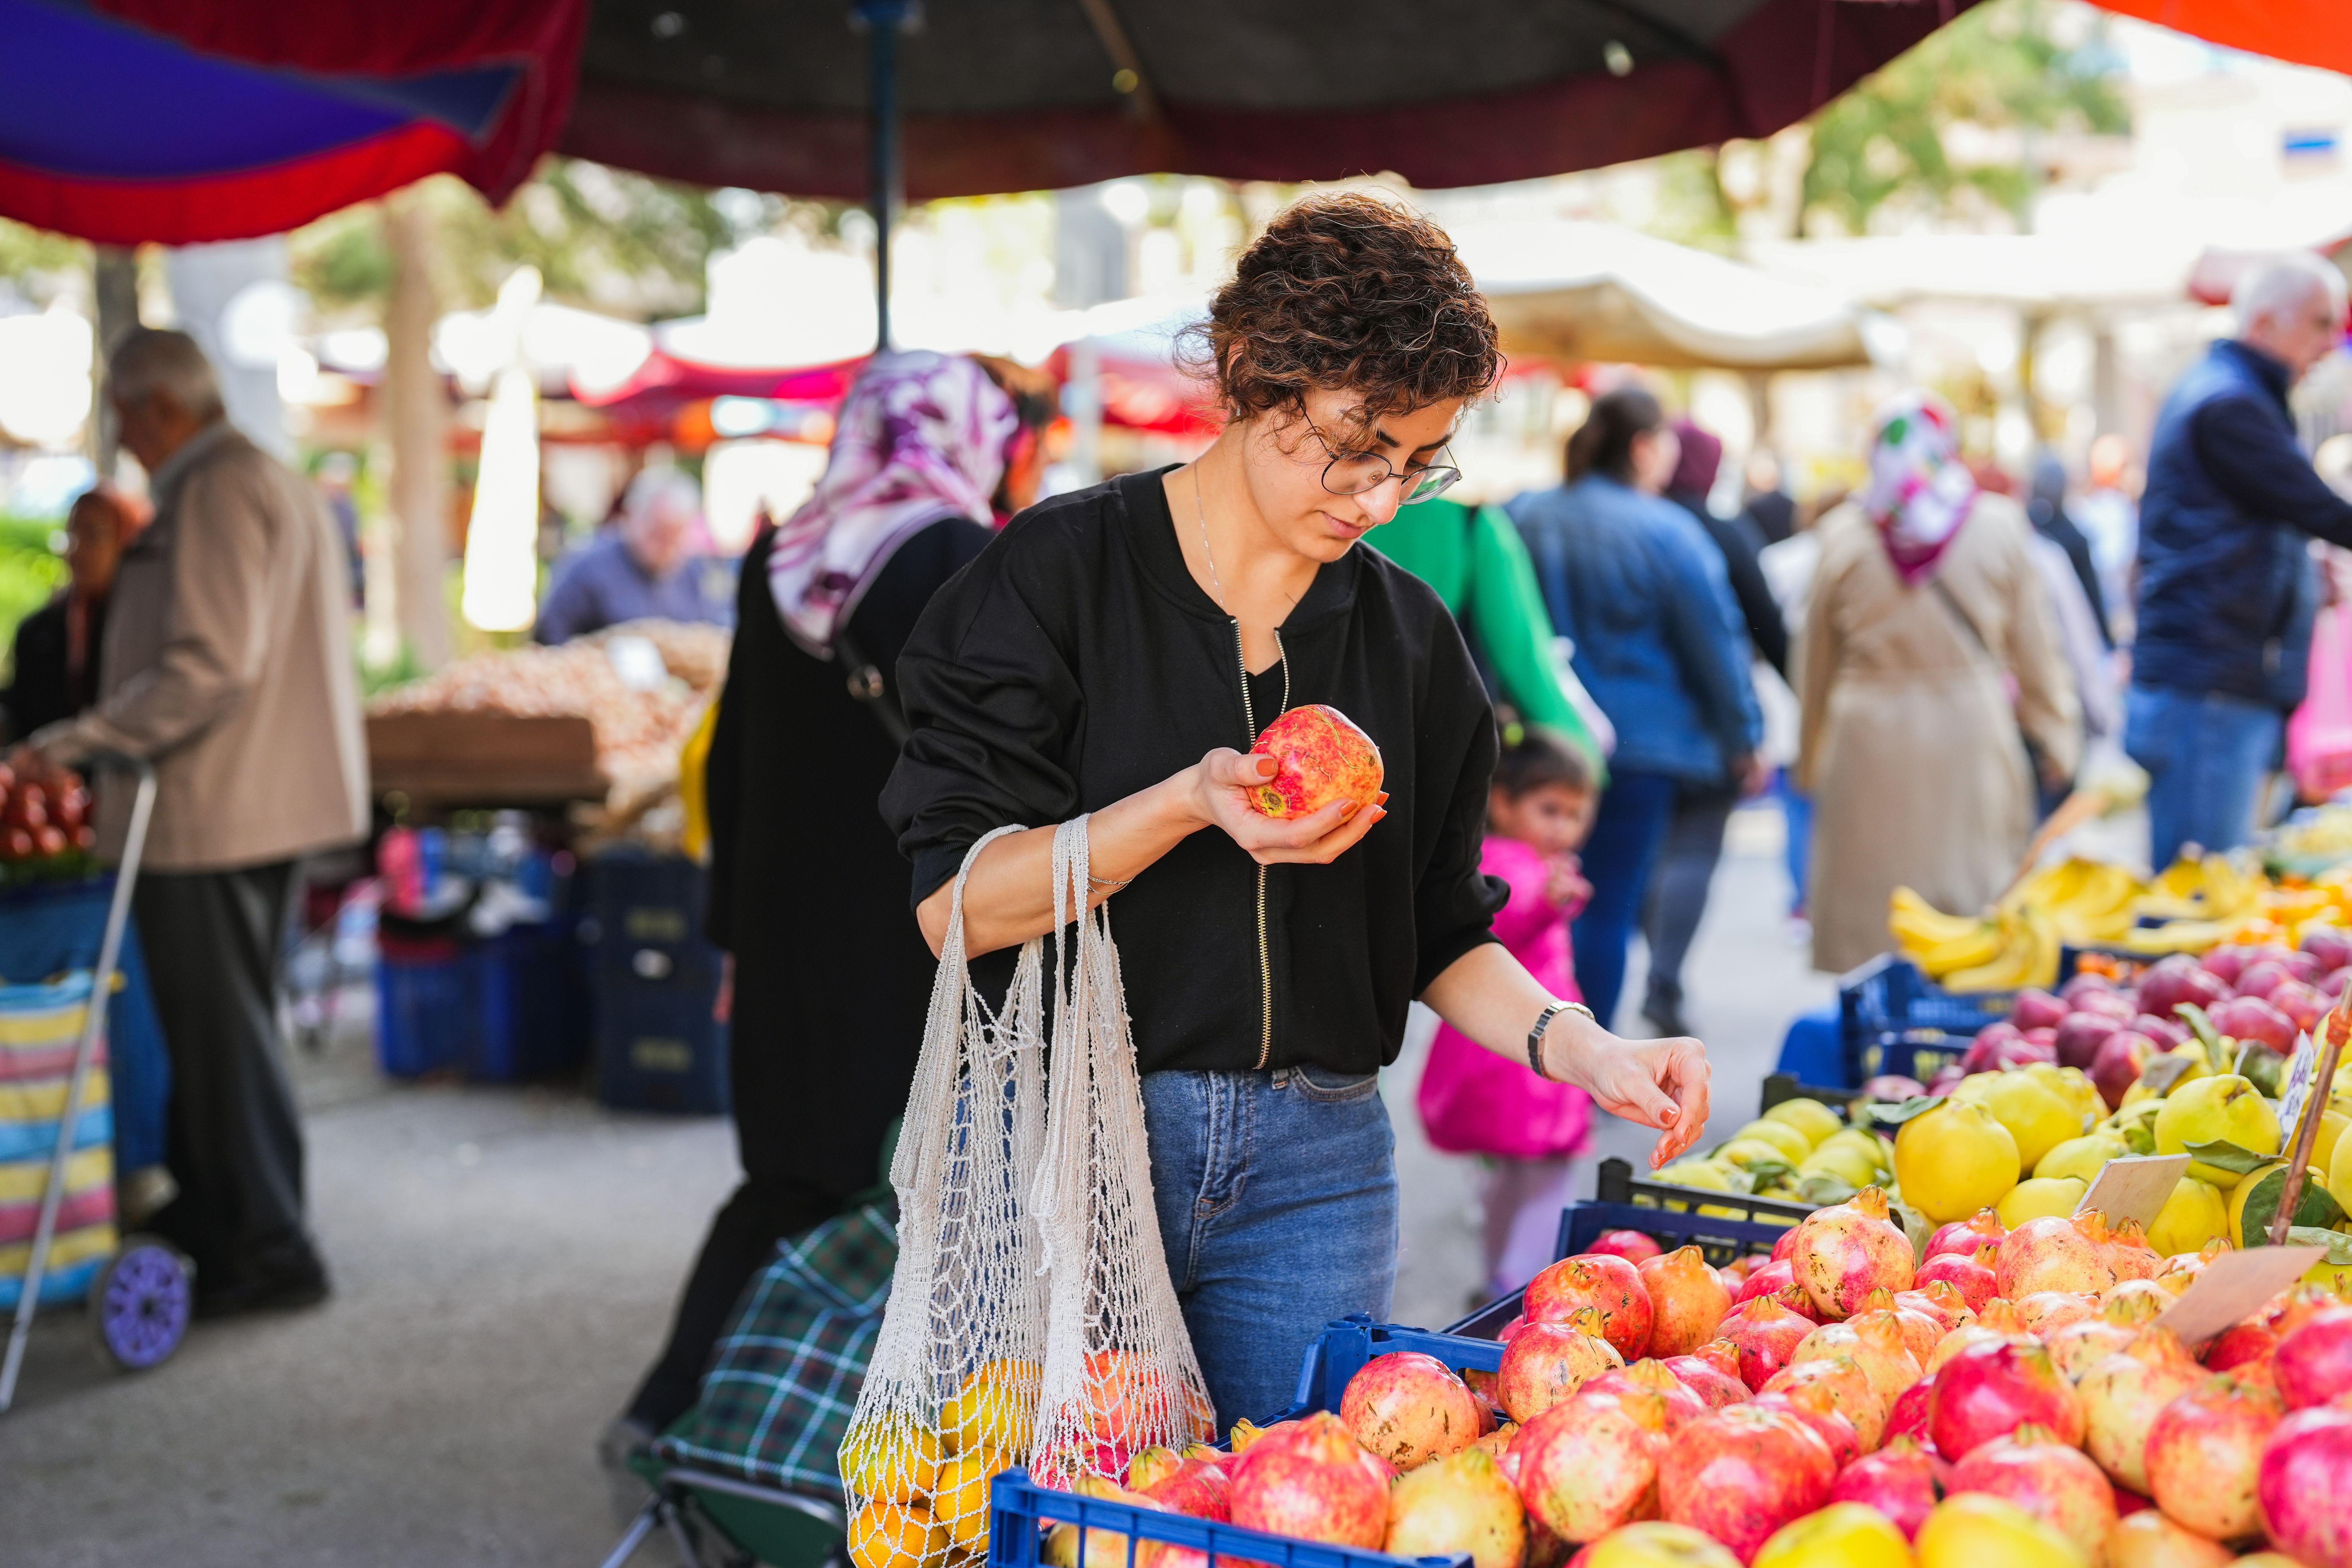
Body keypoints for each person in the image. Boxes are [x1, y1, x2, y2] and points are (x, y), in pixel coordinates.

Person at [880, 193, 1710, 1427]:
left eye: (1417, 461)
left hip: (1321, 1166)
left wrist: (1587, 1048)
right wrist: (1182, 804)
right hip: (1078, 1146)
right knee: (1082, 1522)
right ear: (1252, 379)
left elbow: (1442, 927)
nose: (1380, 498)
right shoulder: (1054, 578)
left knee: (1297, 1512)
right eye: (1355, 444)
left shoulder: (1411, 640)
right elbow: (957, 906)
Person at [606, 353, 1044, 1469]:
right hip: (909, 935)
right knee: (898, 1189)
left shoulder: (782, 555)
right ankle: (826, 1451)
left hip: (788, 932)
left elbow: (732, 764)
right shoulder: (962, 555)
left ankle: (677, 1406)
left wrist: (734, 940)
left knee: (790, 1176)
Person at [15, 328, 368, 1316]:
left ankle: (267, 1244)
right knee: (224, 1030)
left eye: (126, 413)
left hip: (219, 809)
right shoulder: (259, 479)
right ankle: (227, 1213)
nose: (124, 434)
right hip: (245, 805)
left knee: (224, 1037)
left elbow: (209, 666)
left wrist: (78, 740)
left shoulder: (216, 489)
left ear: (159, 407)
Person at [1798, 393, 2080, 975]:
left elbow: (1814, 661)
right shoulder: (1998, 525)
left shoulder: (1844, 535)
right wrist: (2057, 736)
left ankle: (1873, 1038)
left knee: (1872, 921)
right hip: (1971, 733)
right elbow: (2036, 651)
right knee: (1971, 909)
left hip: (1867, 739)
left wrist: (1808, 759)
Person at [1510, 388, 1762, 1034]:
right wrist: (1745, 735)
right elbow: (1715, 645)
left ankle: (1530, 1059)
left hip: (1539, 741)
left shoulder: (1525, 515)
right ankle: (1583, 1059)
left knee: (1532, 900)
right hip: (1643, 747)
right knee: (1607, 906)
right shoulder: (1667, 531)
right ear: (1645, 447)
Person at [2130, 253, 2352, 866]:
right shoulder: (2231, 404)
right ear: (2264, 323)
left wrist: (2300, 581)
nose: (2330, 344)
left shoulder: (2227, 390)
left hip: (2212, 684)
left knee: (2210, 887)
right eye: (2320, 323)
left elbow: (2242, 526)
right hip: (2210, 691)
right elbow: (2319, 508)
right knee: (2202, 892)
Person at [1414, 727, 1597, 1301]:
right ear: (1502, 803)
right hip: (1526, 1060)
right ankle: (1520, 1289)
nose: (1563, 826)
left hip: (1494, 1057)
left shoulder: (1518, 858)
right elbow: (1504, 918)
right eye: (1549, 809)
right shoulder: (1512, 864)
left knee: (1508, 1178)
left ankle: (1499, 1278)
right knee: (1548, 1173)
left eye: (1575, 813)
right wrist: (1549, 899)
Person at [1641, 418, 1786, 1036]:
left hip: (1634, 731)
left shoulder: (1630, 525)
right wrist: (1750, 733)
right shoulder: (1723, 533)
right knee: (1695, 852)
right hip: (1706, 727)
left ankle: (1654, 961)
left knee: (1647, 855)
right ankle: (1665, 976)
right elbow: (1761, 630)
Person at [1366, 496, 1609, 769]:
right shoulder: (1470, 523)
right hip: (1427, 749)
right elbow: (1522, 654)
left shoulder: (1331, 516)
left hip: (1329, 743)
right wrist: (1583, 757)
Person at [0, 487, 140, 742]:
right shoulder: (40, 630)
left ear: (127, 542)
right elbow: (20, 712)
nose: (77, 551)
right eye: (71, 536)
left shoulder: (142, 628)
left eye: (93, 536)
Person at [533, 469, 735, 643]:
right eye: (657, 534)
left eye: (675, 538)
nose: (666, 547)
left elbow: (714, 626)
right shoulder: (588, 565)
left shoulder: (695, 572)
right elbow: (550, 631)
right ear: (632, 516)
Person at [2026, 452, 2112, 649]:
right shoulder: (2073, 537)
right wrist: (2106, 640)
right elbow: (2092, 592)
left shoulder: (2023, 528)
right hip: (2064, 636)